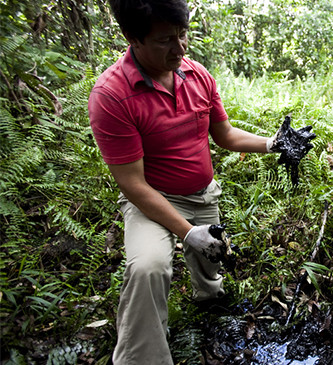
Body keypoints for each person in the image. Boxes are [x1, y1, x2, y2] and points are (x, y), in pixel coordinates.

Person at [87, 0, 314, 363]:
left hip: (202, 194)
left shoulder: (197, 76)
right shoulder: (112, 96)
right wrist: (187, 232)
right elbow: (132, 184)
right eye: (165, 41)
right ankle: (142, 357)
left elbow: (223, 135)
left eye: (182, 35)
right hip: (151, 199)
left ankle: (208, 300)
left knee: (211, 259)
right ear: (133, 38)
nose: (180, 49)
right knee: (149, 267)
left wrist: (273, 143)